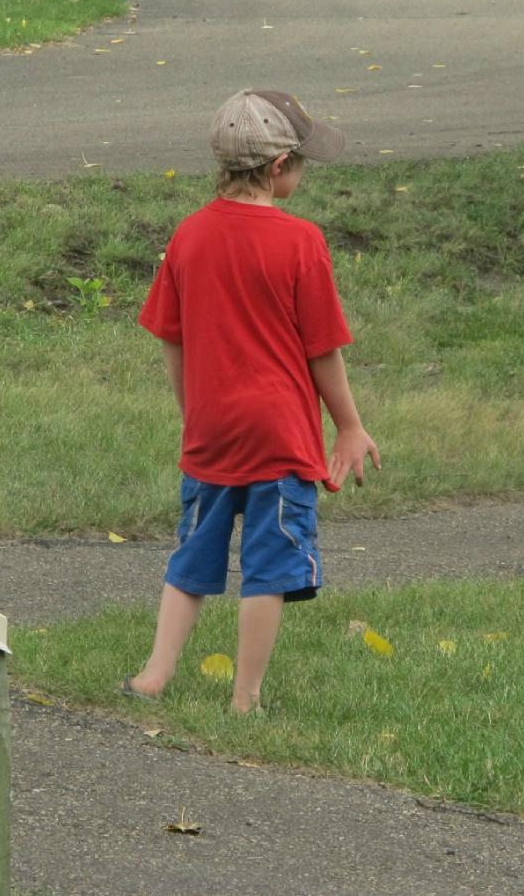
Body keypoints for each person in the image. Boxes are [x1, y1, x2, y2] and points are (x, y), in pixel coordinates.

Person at [125, 89, 380, 715]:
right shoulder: (300, 243)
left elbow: (172, 340)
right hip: (279, 437)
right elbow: (323, 350)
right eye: (301, 162)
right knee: (268, 565)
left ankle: (155, 674)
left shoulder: (188, 236)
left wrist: (194, 418)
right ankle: (246, 698)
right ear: (276, 169)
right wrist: (348, 426)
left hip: (210, 433)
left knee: (193, 551)